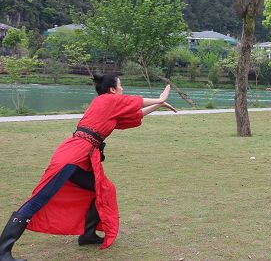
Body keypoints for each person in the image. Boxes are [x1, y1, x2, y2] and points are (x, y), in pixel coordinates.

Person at [0, 74, 176, 261]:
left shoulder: (109, 108)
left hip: (81, 155)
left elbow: (136, 114)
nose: (122, 89)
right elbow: (134, 101)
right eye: (120, 86)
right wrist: (160, 98)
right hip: (71, 155)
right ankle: (3, 252)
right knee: (39, 199)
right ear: (112, 90)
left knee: (102, 189)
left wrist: (158, 105)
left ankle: (87, 234)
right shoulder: (106, 100)